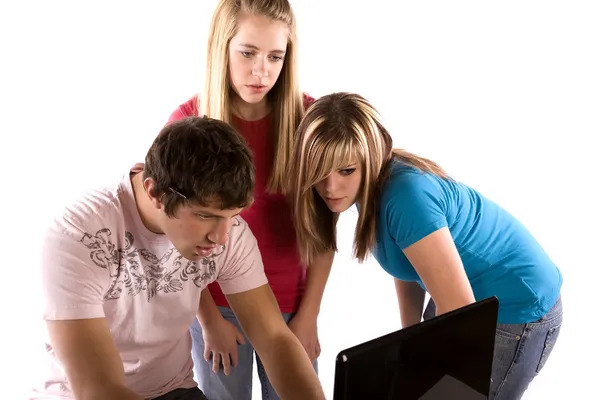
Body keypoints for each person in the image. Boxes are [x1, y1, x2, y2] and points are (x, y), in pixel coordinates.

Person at [287, 92, 564, 400]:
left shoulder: (406, 197)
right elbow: (408, 265)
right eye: (319, 171)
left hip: (516, 305)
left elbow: (460, 309)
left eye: (346, 170)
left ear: (372, 158)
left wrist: (422, 363)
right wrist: (410, 337)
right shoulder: (372, 189)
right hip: (468, 295)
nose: (330, 187)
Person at [30, 117, 325, 400]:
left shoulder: (229, 233)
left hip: (172, 391)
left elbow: (274, 338)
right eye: (205, 216)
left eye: (232, 216)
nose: (221, 237)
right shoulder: (81, 234)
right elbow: (98, 389)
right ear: (155, 192)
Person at [167, 1, 333, 399]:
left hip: (292, 306)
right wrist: (207, 319)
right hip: (218, 305)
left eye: (275, 56)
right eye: (247, 53)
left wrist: (309, 315)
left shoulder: (309, 120)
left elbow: (325, 226)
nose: (262, 71)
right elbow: (173, 236)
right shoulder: (187, 123)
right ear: (221, 47)